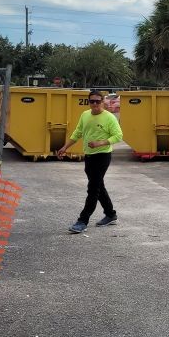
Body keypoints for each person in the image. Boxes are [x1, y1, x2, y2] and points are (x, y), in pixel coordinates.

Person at [57, 88, 123, 233]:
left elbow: (118, 136)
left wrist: (100, 143)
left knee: (93, 189)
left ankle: (82, 221)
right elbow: (78, 132)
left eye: (97, 101)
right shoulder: (85, 115)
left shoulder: (109, 118)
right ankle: (111, 214)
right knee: (99, 187)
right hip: (89, 156)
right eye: (92, 101)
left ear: (103, 102)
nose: (95, 104)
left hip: (102, 156)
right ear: (88, 102)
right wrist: (65, 147)